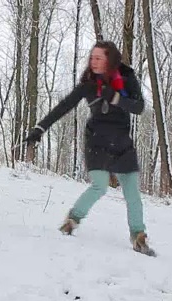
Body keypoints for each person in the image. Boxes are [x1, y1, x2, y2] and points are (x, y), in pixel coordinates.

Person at [24, 40, 154, 256]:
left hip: (122, 142)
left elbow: (139, 107)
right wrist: (40, 128)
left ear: (110, 59)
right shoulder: (89, 83)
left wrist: (116, 98)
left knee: (132, 193)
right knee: (100, 186)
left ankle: (138, 236)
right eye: (91, 57)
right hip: (97, 140)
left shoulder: (127, 78)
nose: (93, 62)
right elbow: (65, 105)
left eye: (98, 58)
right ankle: (72, 220)